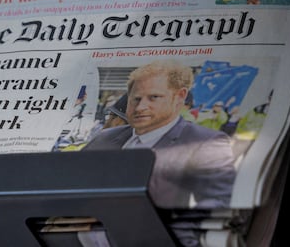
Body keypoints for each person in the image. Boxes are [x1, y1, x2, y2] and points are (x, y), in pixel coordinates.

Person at [84, 60, 236, 210]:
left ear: (179, 97)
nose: (140, 107)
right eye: (136, 99)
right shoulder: (104, 138)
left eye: (154, 97)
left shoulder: (204, 143)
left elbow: (218, 205)